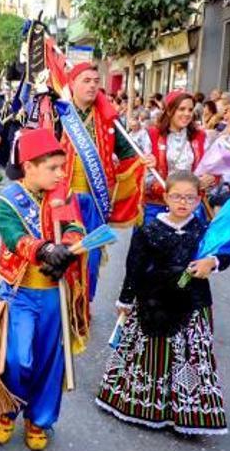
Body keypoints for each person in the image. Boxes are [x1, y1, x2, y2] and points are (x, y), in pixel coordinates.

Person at [96, 170, 230, 436]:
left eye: (190, 198)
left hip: (193, 302)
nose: (183, 202)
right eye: (177, 196)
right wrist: (126, 299)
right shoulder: (148, 228)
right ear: (166, 196)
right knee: (152, 353)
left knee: (189, 355)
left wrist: (211, 263)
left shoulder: (204, 229)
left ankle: (187, 410)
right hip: (154, 301)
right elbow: (133, 266)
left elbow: (225, 255)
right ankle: (146, 406)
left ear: (198, 199)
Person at [0, 128, 87, 451]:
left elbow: (75, 227)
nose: (61, 174)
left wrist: (68, 251)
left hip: (53, 293)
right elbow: (14, 236)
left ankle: (38, 419)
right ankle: (7, 409)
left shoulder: (62, 194)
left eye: (62, 167)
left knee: (49, 359)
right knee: (17, 358)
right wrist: (46, 251)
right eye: (53, 168)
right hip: (20, 293)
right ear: (29, 166)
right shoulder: (7, 200)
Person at [52, 63, 154, 299]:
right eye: (86, 80)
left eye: (96, 81)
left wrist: (142, 162)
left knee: (91, 256)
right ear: (72, 83)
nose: (92, 85)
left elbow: (129, 153)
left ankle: (83, 304)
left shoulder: (108, 120)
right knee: (63, 253)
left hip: (96, 201)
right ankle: (63, 302)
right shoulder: (59, 114)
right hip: (63, 198)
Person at [141, 90, 212, 224]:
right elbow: (141, 175)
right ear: (169, 111)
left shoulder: (200, 136)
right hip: (158, 207)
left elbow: (212, 167)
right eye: (181, 109)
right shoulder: (152, 135)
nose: (187, 114)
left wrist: (210, 178)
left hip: (191, 208)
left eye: (190, 110)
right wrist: (147, 165)